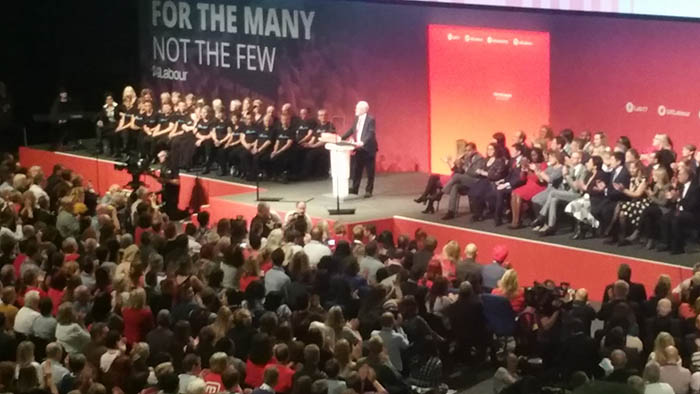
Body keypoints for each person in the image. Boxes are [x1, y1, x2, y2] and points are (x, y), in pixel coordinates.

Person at [532, 150, 588, 235]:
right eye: (571, 157)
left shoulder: (583, 170)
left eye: (574, 158)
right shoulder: (571, 168)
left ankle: (541, 216)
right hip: (568, 192)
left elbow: (576, 188)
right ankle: (551, 226)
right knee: (554, 200)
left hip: (577, 195)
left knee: (553, 193)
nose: (571, 159)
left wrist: (566, 176)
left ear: (579, 160)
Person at [415, 139, 469, 214]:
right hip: (453, 176)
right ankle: (428, 201)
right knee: (433, 177)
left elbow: (459, 172)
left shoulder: (464, 157)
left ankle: (426, 199)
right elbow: (454, 170)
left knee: (433, 181)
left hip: (457, 179)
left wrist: (448, 162)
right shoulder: (459, 156)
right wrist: (449, 162)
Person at [658, 166, 700, 254]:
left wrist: (678, 198)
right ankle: (666, 243)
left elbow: (690, 206)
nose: (678, 177)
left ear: (687, 175)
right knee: (665, 217)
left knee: (676, 219)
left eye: (680, 174)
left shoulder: (696, 188)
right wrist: (671, 197)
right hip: (679, 211)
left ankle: (678, 247)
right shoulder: (680, 186)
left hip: (691, 214)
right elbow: (675, 202)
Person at [342, 101, 377, 198]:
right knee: (357, 169)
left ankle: (368, 190)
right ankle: (355, 188)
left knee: (370, 171)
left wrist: (363, 142)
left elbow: (371, 133)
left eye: (357, 108)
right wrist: (341, 138)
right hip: (358, 148)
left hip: (368, 148)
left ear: (363, 109)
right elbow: (352, 130)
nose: (355, 110)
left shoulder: (370, 119)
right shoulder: (357, 118)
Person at [591, 151, 631, 239]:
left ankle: (612, 234)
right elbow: (611, 186)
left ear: (619, 161)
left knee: (606, 211)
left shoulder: (624, 174)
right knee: (595, 210)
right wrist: (603, 188)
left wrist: (605, 191)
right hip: (611, 197)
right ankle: (605, 229)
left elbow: (621, 190)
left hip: (620, 199)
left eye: (612, 160)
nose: (610, 162)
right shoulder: (614, 171)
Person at [440, 142, 484, 219]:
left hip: (476, 181)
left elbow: (476, 173)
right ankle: (451, 212)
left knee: (457, 176)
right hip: (467, 180)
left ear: (474, 150)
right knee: (455, 186)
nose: (467, 152)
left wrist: (466, 169)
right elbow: (460, 171)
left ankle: (441, 193)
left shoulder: (479, 158)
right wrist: (456, 164)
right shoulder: (466, 158)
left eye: (469, 150)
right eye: (466, 150)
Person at [302, 108, 335, 179]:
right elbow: (313, 138)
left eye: (325, 115)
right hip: (316, 146)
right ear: (318, 117)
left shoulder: (330, 126)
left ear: (327, 116)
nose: (323, 117)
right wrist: (308, 144)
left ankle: (307, 175)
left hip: (325, 147)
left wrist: (313, 146)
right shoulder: (317, 126)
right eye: (321, 115)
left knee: (311, 154)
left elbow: (325, 141)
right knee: (303, 151)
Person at [156, 150, 185, 220]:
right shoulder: (162, 166)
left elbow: (177, 182)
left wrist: (166, 180)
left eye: (160, 157)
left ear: (165, 157)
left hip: (172, 193)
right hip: (165, 192)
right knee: (165, 213)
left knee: (172, 215)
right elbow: (162, 180)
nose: (159, 159)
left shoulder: (173, 166)